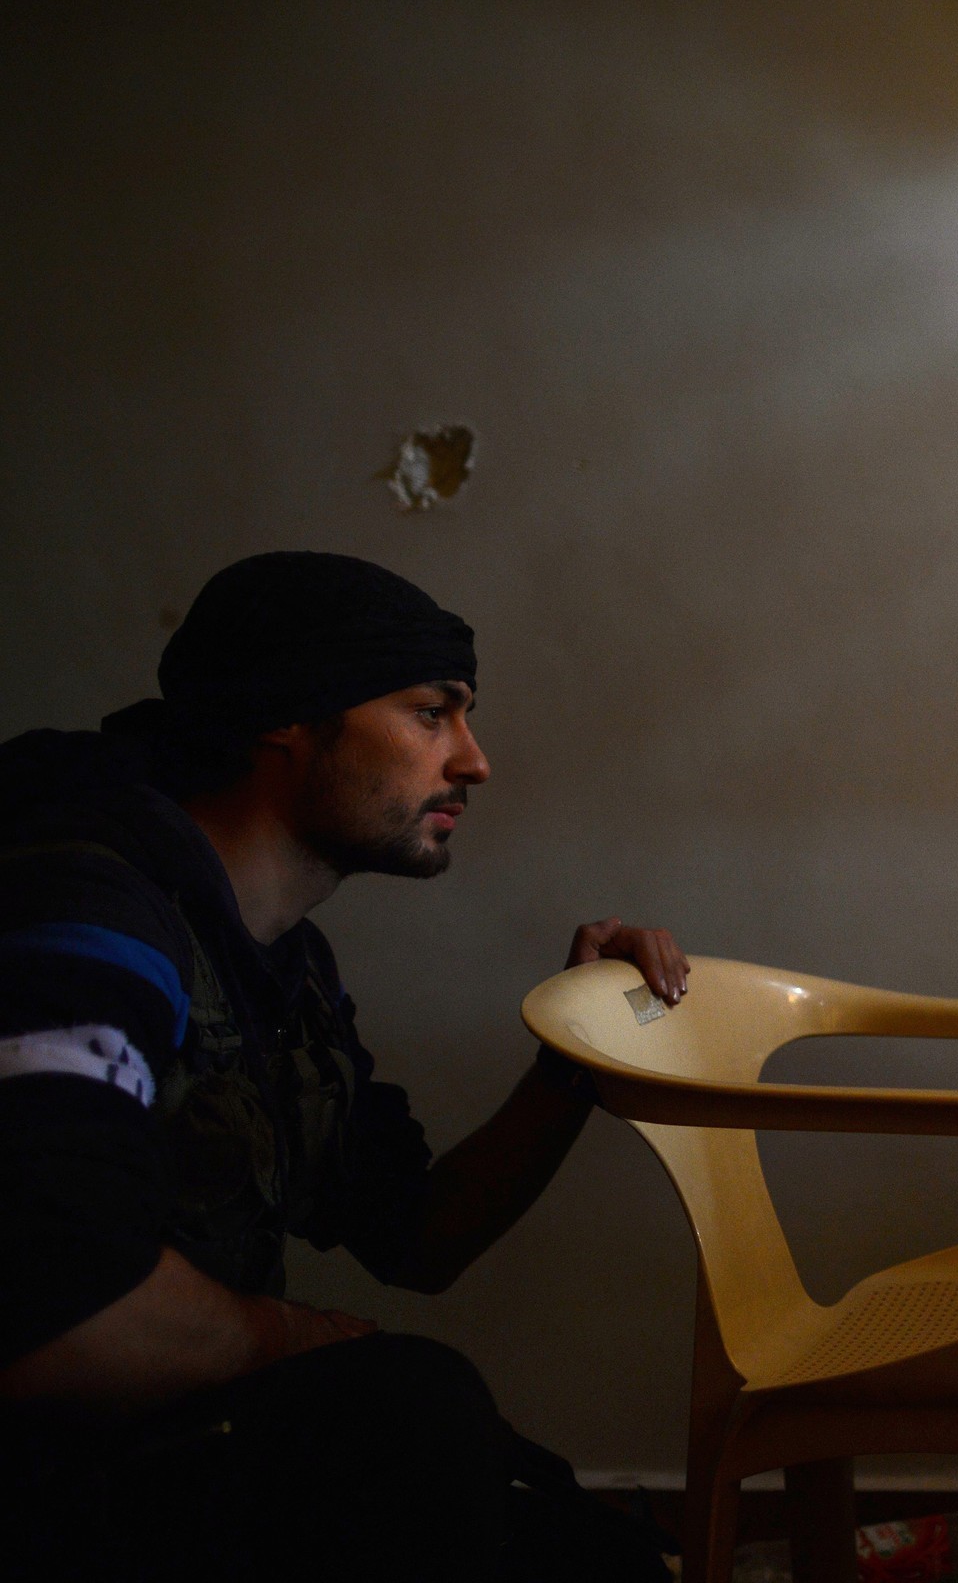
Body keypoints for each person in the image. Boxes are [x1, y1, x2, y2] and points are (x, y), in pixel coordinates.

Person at [0, 552, 692, 1580]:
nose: (473, 760)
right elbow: (62, 1309)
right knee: (411, 1410)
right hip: (52, 1484)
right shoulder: (84, 911)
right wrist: (294, 1334)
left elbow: (422, 1233)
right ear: (287, 716)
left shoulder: (286, 965)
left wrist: (573, 1061)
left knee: (595, 1554)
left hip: (178, 1445)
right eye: (430, 712)